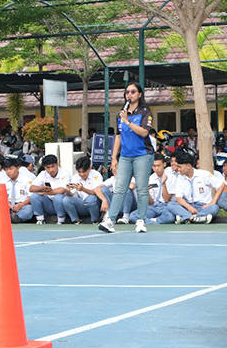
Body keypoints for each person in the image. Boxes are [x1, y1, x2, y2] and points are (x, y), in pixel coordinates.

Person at [98, 82, 155, 234]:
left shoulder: (145, 112)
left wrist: (128, 121)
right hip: (125, 156)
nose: (129, 94)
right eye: (127, 92)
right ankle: (110, 220)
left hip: (143, 155)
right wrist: (114, 157)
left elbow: (144, 132)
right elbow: (118, 136)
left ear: (140, 94)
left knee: (142, 189)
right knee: (120, 188)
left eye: (133, 92)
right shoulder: (121, 113)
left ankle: (141, 221)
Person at [168, 151, 225, 224]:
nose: (178, 169)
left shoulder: (204, 174)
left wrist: (213, 201)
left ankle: (187, 217)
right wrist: (189, 207)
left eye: (180, 167)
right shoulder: (180, 177)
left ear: (188, 166)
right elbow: (179, 198)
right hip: (188, 206)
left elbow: (221, 185)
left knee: (215, 208)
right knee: (171, 204)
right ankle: (196, 218)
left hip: (203, 206)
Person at [62, 156, 108, 224]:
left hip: (95, 204)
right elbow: (71, 194)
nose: (81, 174)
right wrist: (68, 190)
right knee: (66, 199)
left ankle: (95, 220)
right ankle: (76, 220)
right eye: (79, 172)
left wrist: (83, 189)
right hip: (82, 204)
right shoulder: (75, 177)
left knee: (90, 199)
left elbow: (96, 192)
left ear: (89, 168)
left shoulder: (96, 175)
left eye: (84, 172)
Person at [29, 154, 71, 225]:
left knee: (58, 197)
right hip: (49, 204)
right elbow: (31, 188)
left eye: (53, 166)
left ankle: (61, 220)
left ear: (57, 164)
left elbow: (61, 190)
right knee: (34, 196)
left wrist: (45, 192)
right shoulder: (43, 174)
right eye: (48, 167)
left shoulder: (65, 173)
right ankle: (40, 220)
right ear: (44, 168)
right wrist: (42, 188)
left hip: (62, 204)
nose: (51, 170)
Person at [145, 153, 177, 225]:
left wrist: (163, 184)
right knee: (133, 216)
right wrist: (147, 191)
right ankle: (154, 220)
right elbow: (151, 202)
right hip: (154, 206)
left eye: (158, 166)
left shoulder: (171, 177)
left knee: (170, 217)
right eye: (154, 166)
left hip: (166, 206)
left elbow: (166, 200)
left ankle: (152, 221)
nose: (156, 168)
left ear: (164, 164)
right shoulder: (151, 178)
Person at [4, 158, 35, 223]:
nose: (8, 172)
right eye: (6, 170)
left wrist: (21, 205)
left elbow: (31, 196)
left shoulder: (27, 180)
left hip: (22, 205)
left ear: (18, 168)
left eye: (11, 169)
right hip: (7, 205)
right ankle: (11, 218)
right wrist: (9, 205)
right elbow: (1, 196)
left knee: (29, 209)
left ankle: (15, 217)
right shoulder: (3, 181)